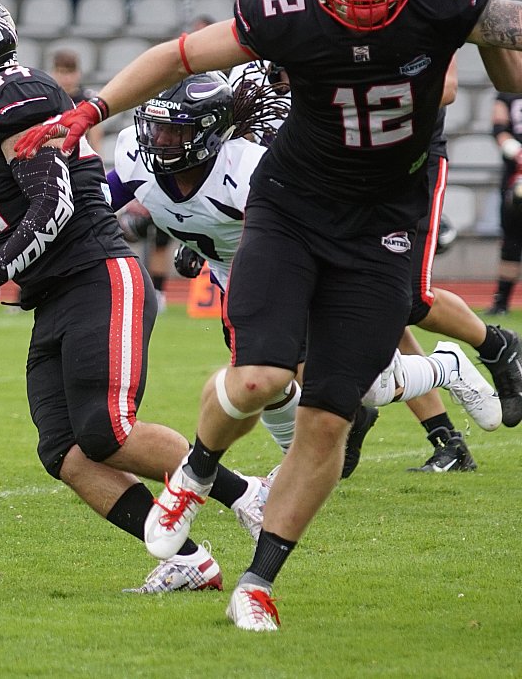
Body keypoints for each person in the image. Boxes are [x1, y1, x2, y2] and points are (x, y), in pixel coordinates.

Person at [12, 0, 522, 630]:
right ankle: (197, 469)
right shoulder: (283, 8)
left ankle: (258, 581)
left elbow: (509, 72)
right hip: (293, 206)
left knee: (330, 418)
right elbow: (180, 55)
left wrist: (483, 23)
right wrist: (91, 110)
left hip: (384, 217)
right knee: (258, 377)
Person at [0, 0, 267, 595]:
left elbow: (54, 205)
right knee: (65, 452)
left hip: (97, 275)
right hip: (53, 295)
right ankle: (187, 561)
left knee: (108, 431)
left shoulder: (14, 95)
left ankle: (248, 495)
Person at [111, 71, 513, 468]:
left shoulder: (249, 169)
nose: (160, 141)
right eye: (157, 128)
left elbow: (291, 223)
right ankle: (297, 465)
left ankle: (447, 366)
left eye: (175, 131)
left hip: (300, 262)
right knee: (262, 380)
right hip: (239, 274)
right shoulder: (136, 154)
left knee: (365, 385)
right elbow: (102, 199)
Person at [490, 92, 522, 316]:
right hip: (515, 177)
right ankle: (501, 302)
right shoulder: (508, 92)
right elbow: (499, 128)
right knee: (511, 240)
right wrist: (517, 152)